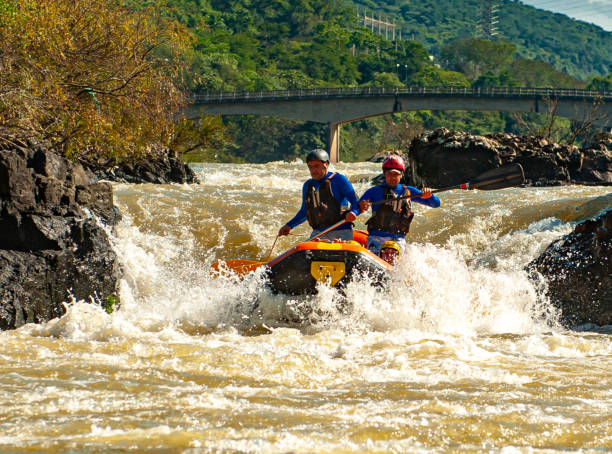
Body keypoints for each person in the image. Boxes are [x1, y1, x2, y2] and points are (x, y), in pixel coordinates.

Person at [359, 154, 440, 257]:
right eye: (390, 174)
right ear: (384, 173)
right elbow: (357, 208)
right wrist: (361, 207)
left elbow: (436, 204)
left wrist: (429, 196)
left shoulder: (409, 191)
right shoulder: (374, 191)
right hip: (377, 239)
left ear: (402, 174)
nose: (393, 177)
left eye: (396, 174)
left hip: (398, 240)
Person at [279, 149, 359, 241]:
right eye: (310, 167)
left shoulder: (339, 180)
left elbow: (355, 201)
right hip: (318, 233)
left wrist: (354, 212)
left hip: (341, 231)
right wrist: (289, 225)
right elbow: (305, 211)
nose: (313, 170)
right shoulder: (308, 185)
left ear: (327, 164)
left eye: (316, 166)